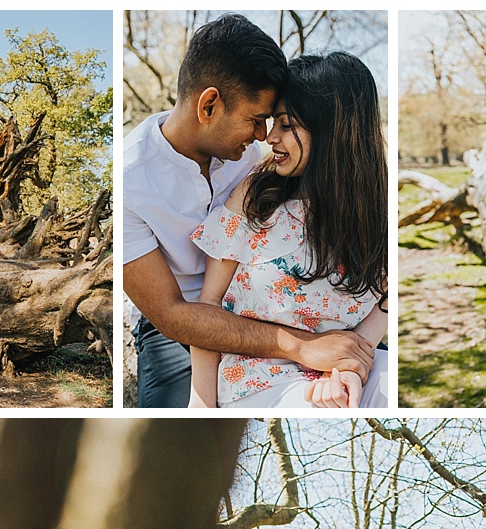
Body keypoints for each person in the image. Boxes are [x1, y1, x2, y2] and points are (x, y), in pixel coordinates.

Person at [122, 15, 377, 407]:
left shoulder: (252, 162)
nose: (263, 137)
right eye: (256, 121)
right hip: (177, 324)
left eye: (273, 122)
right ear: (208, 105)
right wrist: (305, 348)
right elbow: (173, 314)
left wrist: (336, 357)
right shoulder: (129, 182)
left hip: (275, 312)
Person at [188, 51, 388, 409]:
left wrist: (347, 370)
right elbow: (209, 304)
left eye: (287, 125)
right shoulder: (256, 198)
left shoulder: (377, 212)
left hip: (342, 371)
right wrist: (201, 405)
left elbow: (387, 302)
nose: (271, 138)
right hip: (257, 379)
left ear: (332, 130)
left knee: (389, 386)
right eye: (270, 123)